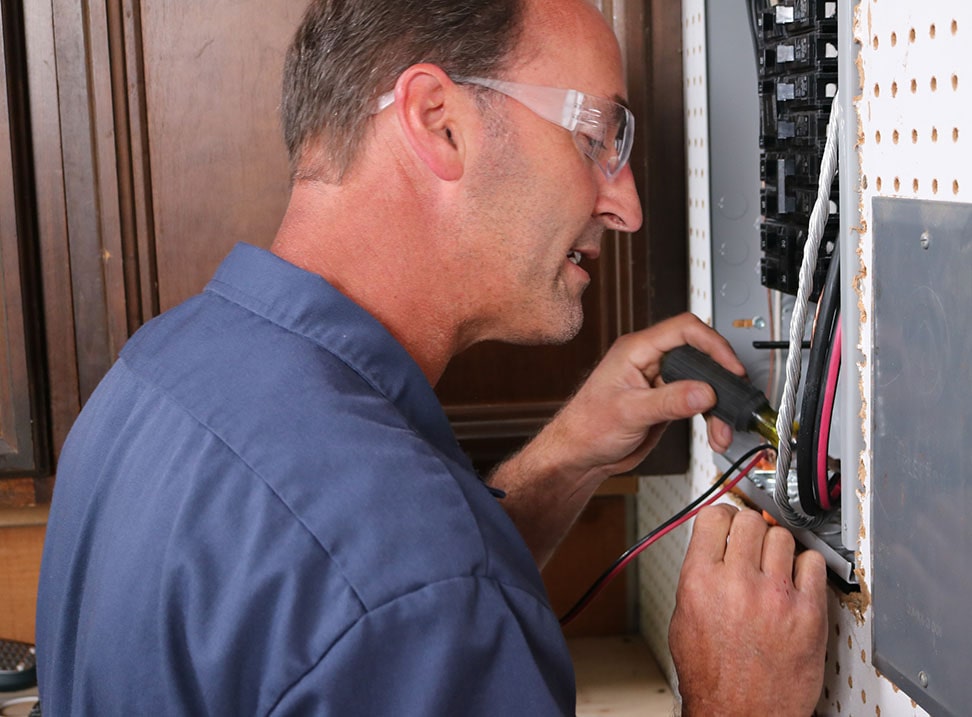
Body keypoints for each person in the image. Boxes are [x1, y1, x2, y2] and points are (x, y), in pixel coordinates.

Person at [35, 0, 827, 713]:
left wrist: (564, 460)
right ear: (437, 119)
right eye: (595, 138)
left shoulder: (153, 373)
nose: (625, 204)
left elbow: (347, 587)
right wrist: (737, 703)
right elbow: (396, 592)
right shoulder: (411, 579)